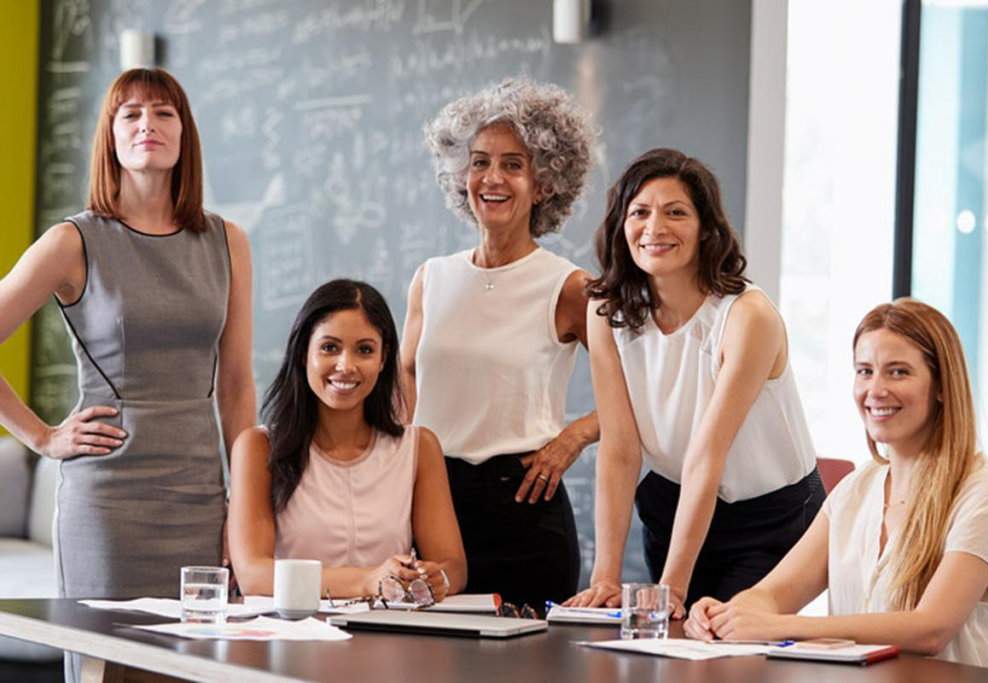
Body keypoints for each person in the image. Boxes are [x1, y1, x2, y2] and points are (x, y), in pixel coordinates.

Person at [0, 68, 255, 680]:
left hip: (199, 503)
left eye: (164, 113)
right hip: (107, 507)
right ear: (109, 137)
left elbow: (238, 386)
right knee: (105, 671)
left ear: (184, 134)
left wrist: (244, 508)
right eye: (131, 114)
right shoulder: (73, 242)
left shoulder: (228, 241)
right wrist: (42, 439)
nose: (149, 125)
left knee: (194, 670)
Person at [684, 299, 988, 668]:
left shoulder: (984, 494)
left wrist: (781, 627)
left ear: (941, 386)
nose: (876, 389)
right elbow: (771, 595)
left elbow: (930, 629)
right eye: (864, 371)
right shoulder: (855, 491)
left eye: (899, 372)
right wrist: (727, 614)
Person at [567, 148, 824, 618]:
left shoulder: (748, 316)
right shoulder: (607, 310)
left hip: (770, 519)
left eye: (676, 212)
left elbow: (708, 455)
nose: (655, 228)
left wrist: (672, 590)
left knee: (725, 644)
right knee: (672, 651)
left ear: (706, 228)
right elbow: (621, 449)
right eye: (639, 212)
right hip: (673, 504)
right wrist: (604, 576)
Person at [401, 77, 599, 610]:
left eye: (513, 164)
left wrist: (572, 439)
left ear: (545, 184)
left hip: (524, 510)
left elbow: (636, 394)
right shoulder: (431, 277)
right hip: (430, 505)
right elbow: (405, 384)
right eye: (480, 161)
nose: (492, 178)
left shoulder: (570, 287)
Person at [230, 280, 466, 602]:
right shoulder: (258, 447)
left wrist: (434, 578)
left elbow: (453, 567)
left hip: (390, 637)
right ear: (303, 354)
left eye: (365, 350)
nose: (346, 365)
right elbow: (253, 575)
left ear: (383, 361)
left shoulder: (418, 447)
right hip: (294, 638)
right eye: (329, 347)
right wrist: (368, 581)